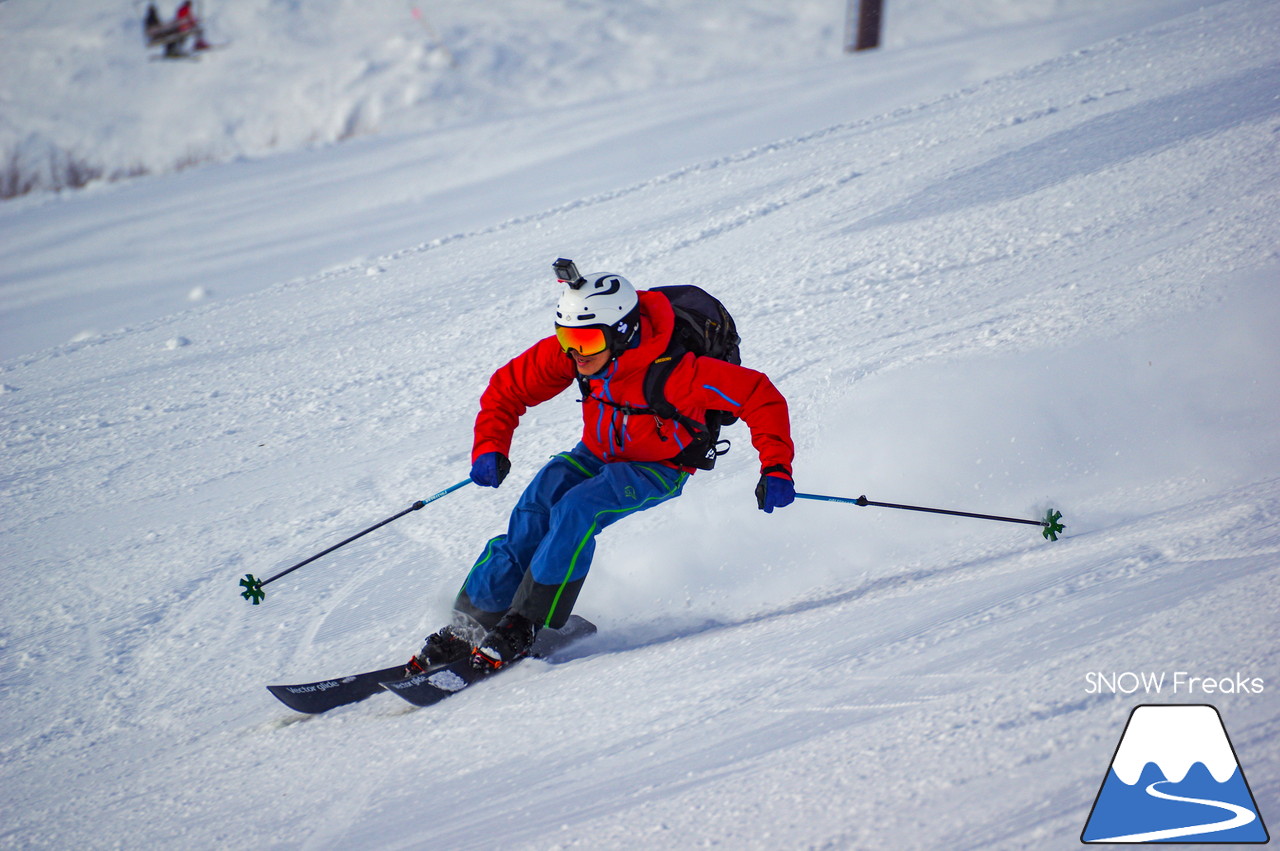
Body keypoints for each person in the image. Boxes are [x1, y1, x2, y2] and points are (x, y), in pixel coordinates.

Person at [407, 265, 796, 674]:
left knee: (577, 509)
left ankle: (525, 623)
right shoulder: (582, 355)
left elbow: (760, 397)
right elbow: (507, 388)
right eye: (566, 338)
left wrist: (776, 468)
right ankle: (469, 626)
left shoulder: (679, 374)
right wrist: (490, 446)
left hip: (658, 466)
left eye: (586, 340)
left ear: (623, 332)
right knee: (534, 508)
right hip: (595, 452)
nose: (574, 353)